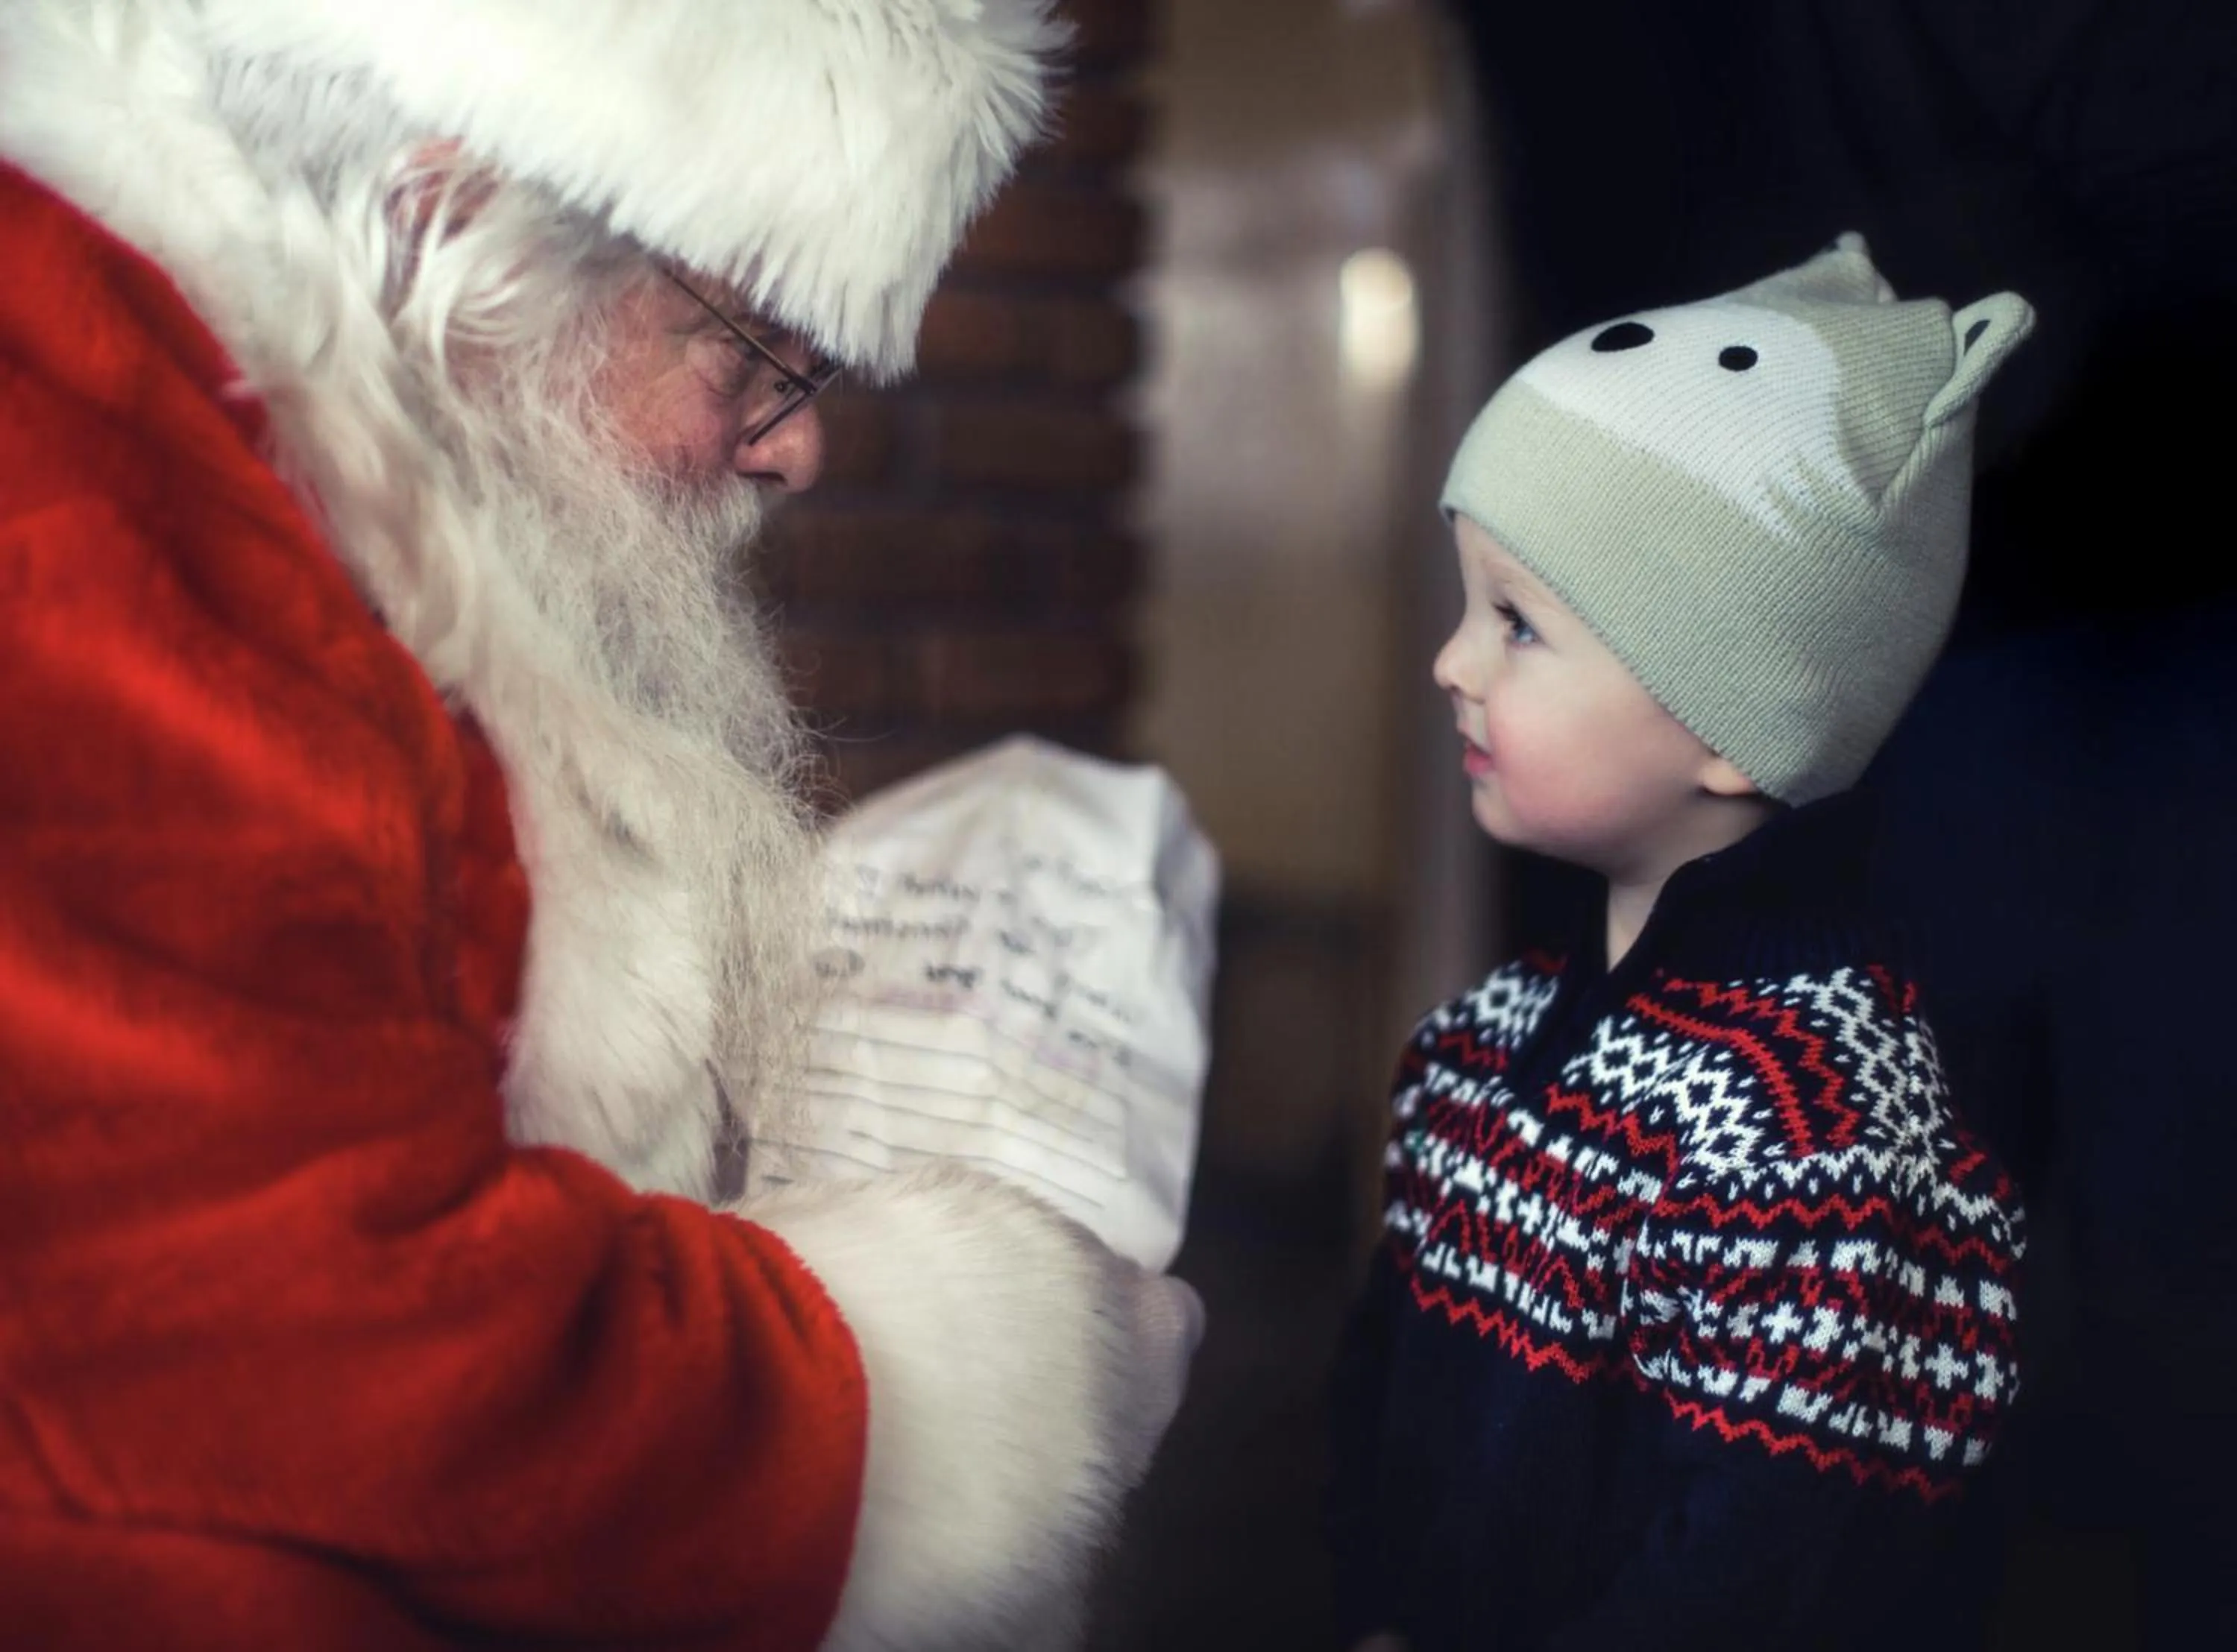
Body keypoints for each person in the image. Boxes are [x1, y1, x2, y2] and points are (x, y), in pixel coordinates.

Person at [0, 3, 1202, 1648]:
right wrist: (973, 1374)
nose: (797, 448)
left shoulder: (265, 442)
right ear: (450, 224)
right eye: (756, 355)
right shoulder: (62, 452)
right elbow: (316, 1350)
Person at [1327, 235, 2033, 1651]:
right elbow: (1377, 1442)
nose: (1452, 663)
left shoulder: (1826, 1143)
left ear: (1733, 721)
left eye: (1518, 624)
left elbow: (1755, 1581)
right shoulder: (1478, 1049)